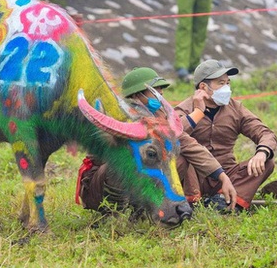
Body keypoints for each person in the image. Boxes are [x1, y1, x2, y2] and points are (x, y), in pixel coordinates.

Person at [77, 67, 238, 213]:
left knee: (176, 156)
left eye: (160, 91)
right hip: (102, 186)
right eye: (154, 91)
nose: (160, 95)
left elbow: (189, 144)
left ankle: (145, 206)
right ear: (137, 95)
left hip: (140, 182)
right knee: (124, 162)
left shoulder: (159, 117)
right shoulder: (117, 116)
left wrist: (222, 176)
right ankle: (114, 212)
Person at [174, 60, 277, 211]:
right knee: (183, 156)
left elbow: (265, 133)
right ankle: (191, 202)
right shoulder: (185, 108)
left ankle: (223, 200)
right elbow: (172, 134)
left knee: (268, 162)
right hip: (194, 177)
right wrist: (198, 113)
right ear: (203, 87)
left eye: (228, 83)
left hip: (227, 175)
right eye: (221, 83)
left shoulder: (235, 108)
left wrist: (262, 152)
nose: (226, 88)